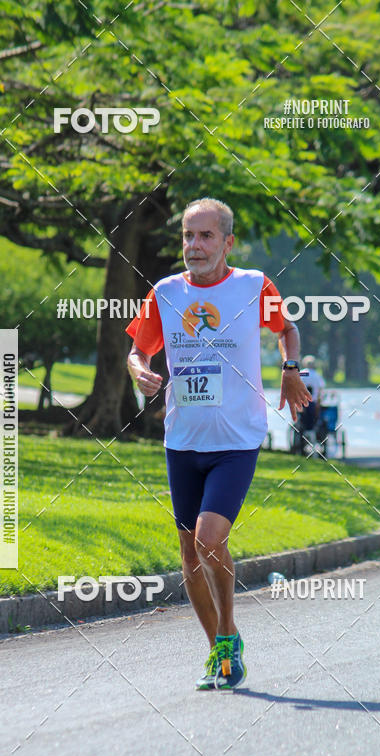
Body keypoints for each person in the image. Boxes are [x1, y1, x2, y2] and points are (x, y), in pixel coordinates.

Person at [126, 197, 309, 690]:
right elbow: (138, 350)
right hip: (183, 440)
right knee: (189, 555)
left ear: (228, 243)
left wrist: (290, 370)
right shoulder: (165, 293)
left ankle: (229, 630)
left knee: (209, 539)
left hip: (236, 440)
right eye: (188, 236)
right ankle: (219, 652)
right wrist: (139, 371)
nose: (194, 246)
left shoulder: (253, 286)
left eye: (206, 236)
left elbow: (287, 329)